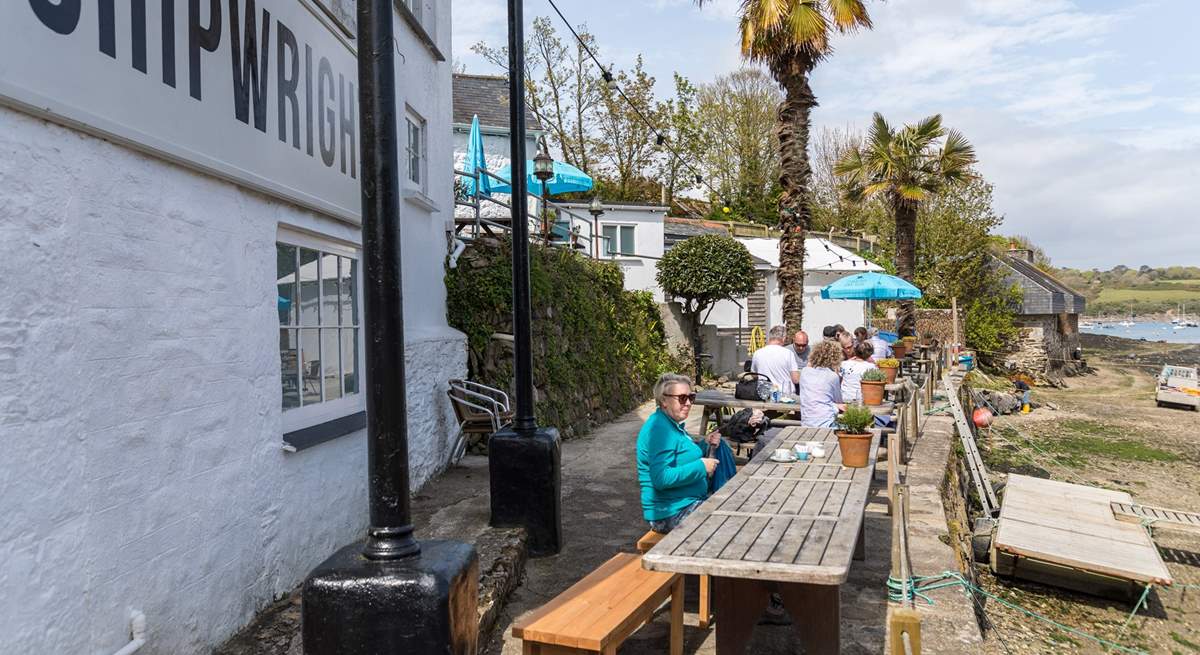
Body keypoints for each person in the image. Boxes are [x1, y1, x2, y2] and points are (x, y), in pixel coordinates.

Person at [637, 373, 723, 533]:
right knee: (732, 524)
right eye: (682, 398)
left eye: (691, 397)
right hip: (669, 513)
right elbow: (661, 478)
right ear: (664, 400)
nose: (689, 403)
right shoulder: (659, 429)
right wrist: (701, 467)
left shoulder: (670, 424)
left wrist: (705, 443)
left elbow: (680, 455)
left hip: (684, 504)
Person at [799, 341, 846, 428]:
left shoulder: (804, 372)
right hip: (827, 423)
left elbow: (817, 399)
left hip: (806, 422)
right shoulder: (832, 376)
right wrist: (836, 370)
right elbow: (838, 400)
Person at [751, 325, 800, 394]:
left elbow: (754, 375)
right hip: (785, 396)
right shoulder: (788, 353)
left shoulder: (757, 353)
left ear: (770, 337)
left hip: (764, 395)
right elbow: (796, 379)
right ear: (783, 338)